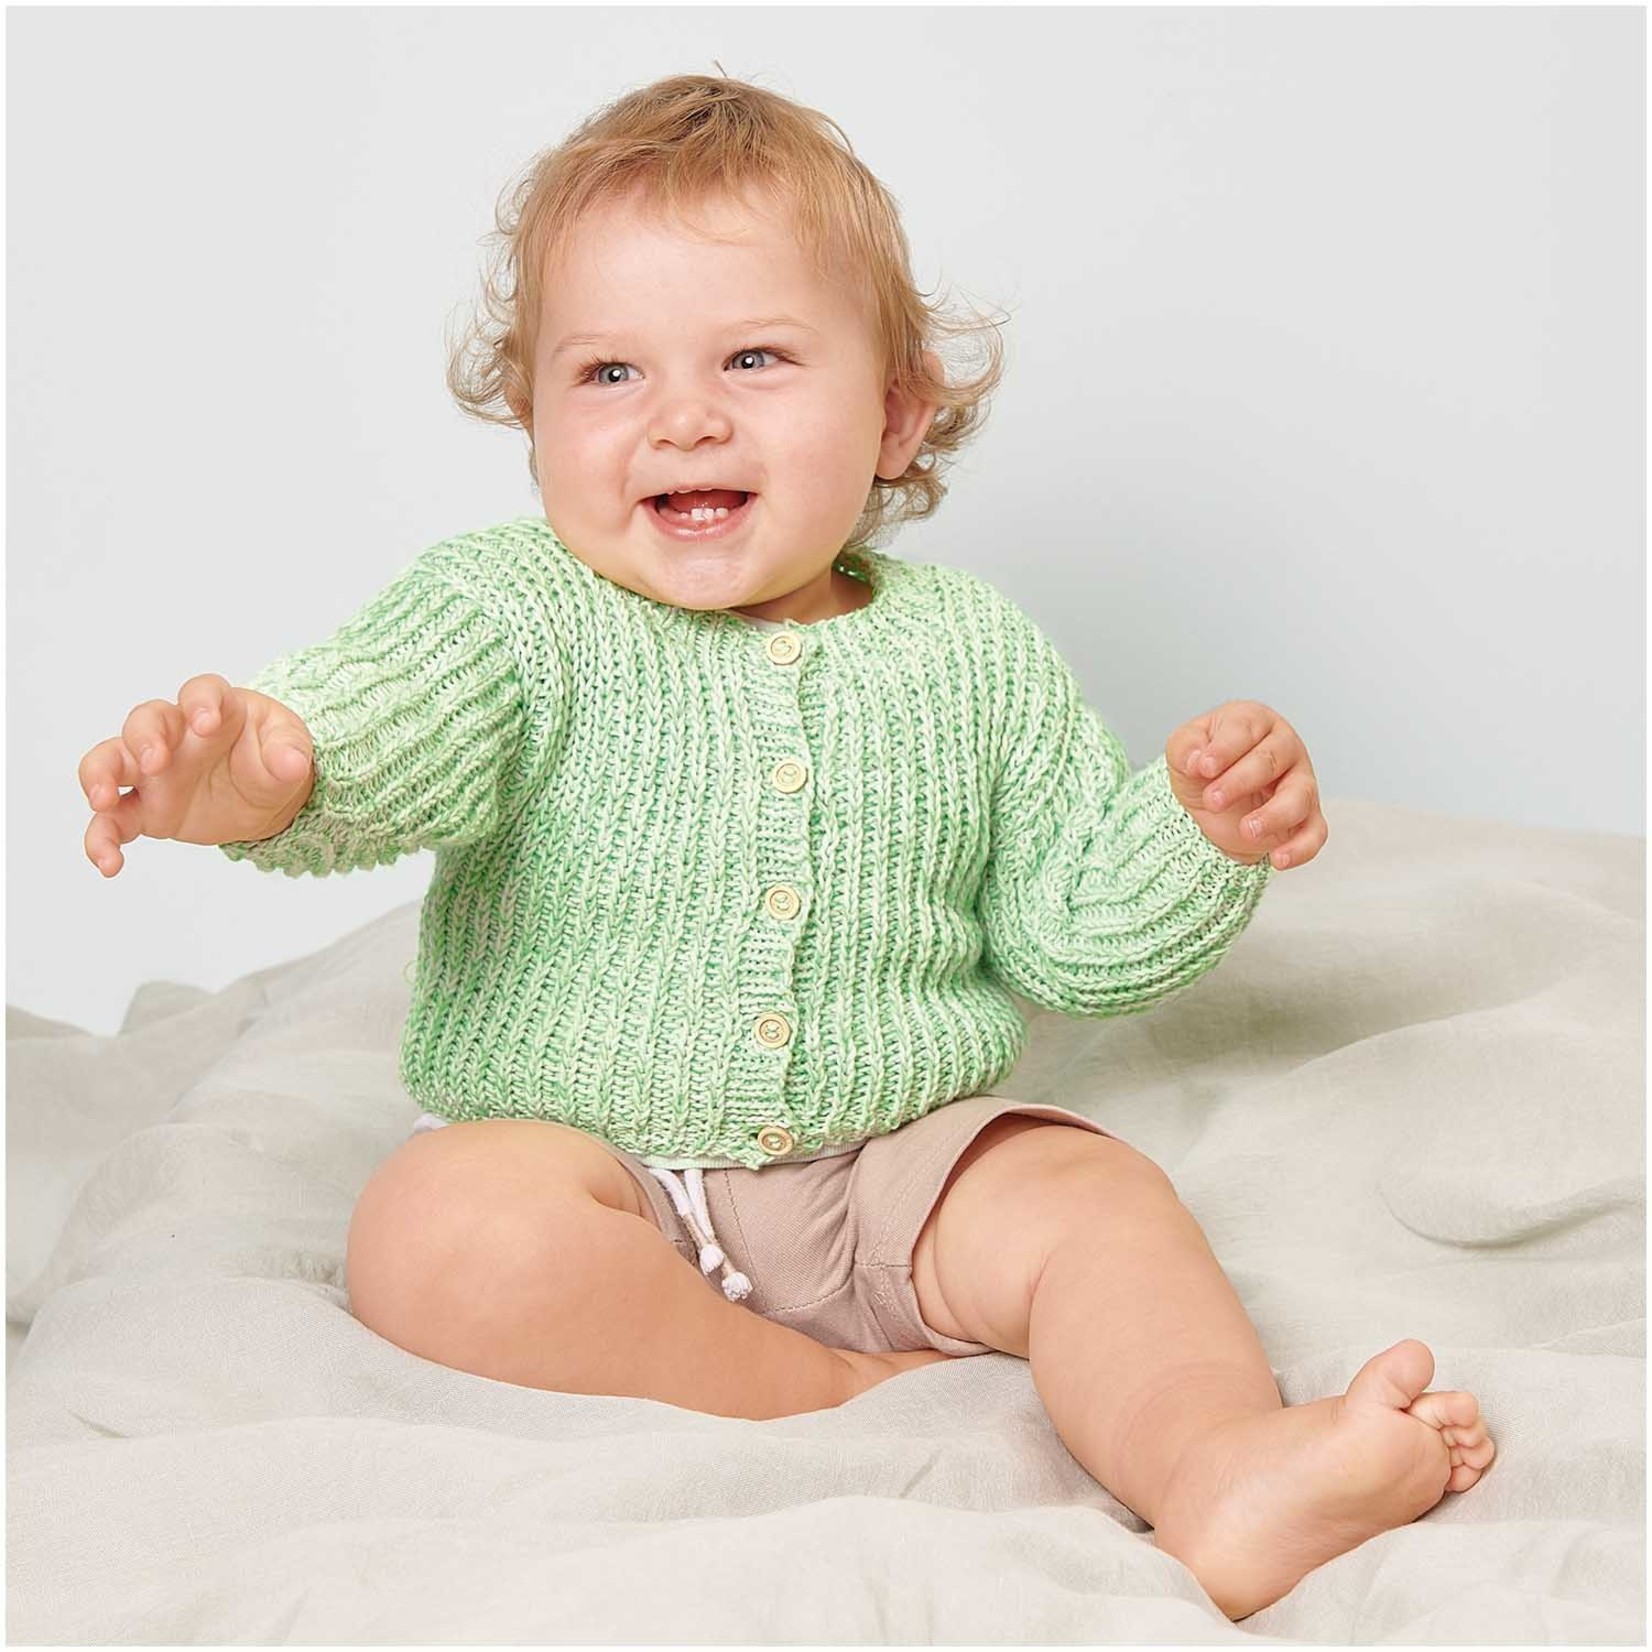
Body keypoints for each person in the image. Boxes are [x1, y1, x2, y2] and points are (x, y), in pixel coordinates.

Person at [75, 71, 1492, 1620]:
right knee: (435, 1230)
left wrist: (1194, 832)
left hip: (889, 1167)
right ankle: (830, 1396)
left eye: (753, 357)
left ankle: (1220, 1464)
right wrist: (260, 772)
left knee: (1097, 1201)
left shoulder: (972, 653)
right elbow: (381, 731)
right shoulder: (516, 612)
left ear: (895, 415)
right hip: (591, 1169)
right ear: (534, 418)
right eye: (609, 371)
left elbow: (1072, 937)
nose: (683, 415)